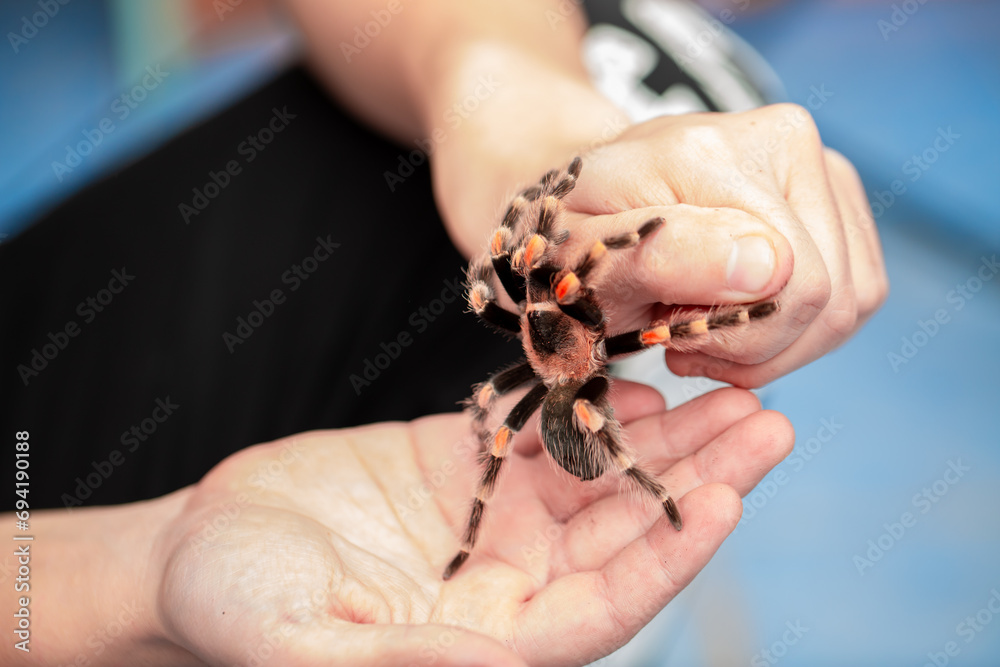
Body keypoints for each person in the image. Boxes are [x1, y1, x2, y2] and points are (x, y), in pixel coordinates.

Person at [1, 0, 887, 664]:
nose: (559, 287)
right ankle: (545, 525)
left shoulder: (544, 323)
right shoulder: (567, 336)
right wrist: (139, 580)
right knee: (682, 84)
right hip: (71, 531)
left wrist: (524, 122)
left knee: (658, 73)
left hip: (49, 523)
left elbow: (517, 281)